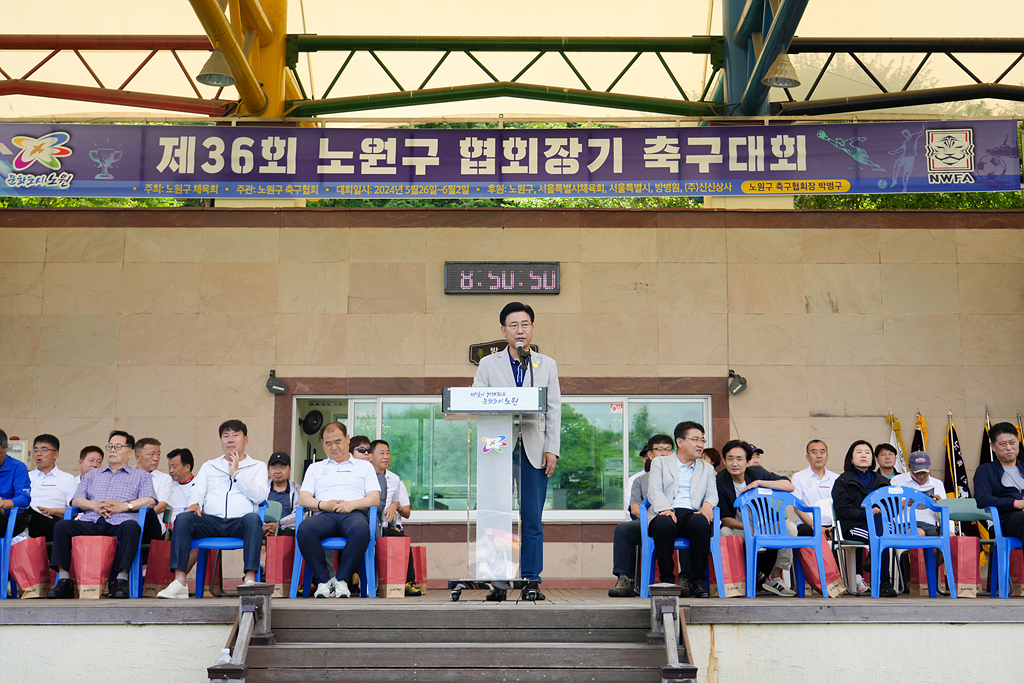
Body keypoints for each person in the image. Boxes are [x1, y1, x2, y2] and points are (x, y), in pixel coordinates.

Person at [472, 301, 561, 602]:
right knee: (496, 514)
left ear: (532, 328)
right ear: (503, 331)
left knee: (532, 517)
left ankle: (531, 579)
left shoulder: (546, 364)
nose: (519, 330)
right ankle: (497, 580)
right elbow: (476, 402)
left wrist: (552, 448)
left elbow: (554, 409)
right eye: (513, 325)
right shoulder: (488, 364)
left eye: (525, 324)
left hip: (534, 448)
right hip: (497, 447)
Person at [157, 420, 269, 599]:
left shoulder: (258, 466)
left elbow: (260, 496)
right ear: (221, 440)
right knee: (183, 519)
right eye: (226, 436)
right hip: (212, 521)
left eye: (235, 435)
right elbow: (197, 491)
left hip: (240, 523)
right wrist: (194, 503)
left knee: (253, 519)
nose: (230, 439)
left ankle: (249, 580)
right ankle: (179, 582)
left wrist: (237, 474)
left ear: (245, 439)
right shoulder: (210, 466)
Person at [47, 430, 157, 599]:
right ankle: (64, 581)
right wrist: (94, 505)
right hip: (92, 521)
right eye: (110, 446)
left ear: (130, 453)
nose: (112, 450)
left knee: (132, 527)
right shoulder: (93, 474)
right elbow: (76, 500)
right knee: (61, 526)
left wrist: (125, 506)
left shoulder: (141, 476)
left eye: (118, 447)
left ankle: (121, 580)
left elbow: (149, 500)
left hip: (121, 522)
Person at [295, 422, 380, 599]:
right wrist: (323, 504)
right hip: (325, 515)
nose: (334, 447)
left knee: (361, 530)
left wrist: (352, 504)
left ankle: (342, 580)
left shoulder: (364, 466)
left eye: (338, 441)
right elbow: (303, 498)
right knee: (305, 529)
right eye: (328, 443)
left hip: (353, 514)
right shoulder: (315, 468)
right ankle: (324, 582)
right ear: (322, 443)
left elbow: (374, 498)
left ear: (348, 439)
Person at [715, 439, 796, 597]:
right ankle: (735, 580)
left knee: (791, 528)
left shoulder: (757, 473)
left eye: (739, 459)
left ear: (748, 461)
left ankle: (775, 577)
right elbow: (724, 519)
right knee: (724, 532)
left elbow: (789, 486)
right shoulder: (720, 481)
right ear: (724, 460)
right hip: (740, 527)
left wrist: (760, 483)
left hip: (766, 525)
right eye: (730, 458)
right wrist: (747, 527)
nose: (734, 463)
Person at [647, 421, 717, 598]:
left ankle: (697, 582)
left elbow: (712, 494)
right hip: (666, 510)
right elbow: (655, 490)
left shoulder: (707, 468)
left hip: (692, 513)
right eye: (695, 439)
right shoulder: (660, 463)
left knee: (702, 523)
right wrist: (666, 508)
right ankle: (667, 581)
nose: (700, 444)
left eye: (702, 440)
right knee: (663, 524)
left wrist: (708, 504)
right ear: (680, 442)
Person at [609, 434, 673, 598]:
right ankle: (625, 579)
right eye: (660, 449)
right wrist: (654, 517)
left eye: (668, 450)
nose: (664, 454)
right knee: (624, 530)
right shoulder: (640, 480)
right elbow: (635, 508)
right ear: (650, 455)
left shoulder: (681, 477)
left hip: (675, 522)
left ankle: (687, 579)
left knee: (692, 526)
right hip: (649, 522)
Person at [832, 440, 895, 597]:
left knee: (881, 533)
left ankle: (877, 569)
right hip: (854, 525)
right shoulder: (843, 481)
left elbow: (890, 505)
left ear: (872, 459)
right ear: (851, 459)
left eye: (867, 452)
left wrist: (880, 510)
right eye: (859, 452)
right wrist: (866, 513)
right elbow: (842, 509)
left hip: (879, 524)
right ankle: (884, 582)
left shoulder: (882, 481)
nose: (863, 455)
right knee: (881, 537)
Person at [370, 439, 422, 596]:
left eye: (388, 453)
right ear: (370, 456)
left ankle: (407, 582)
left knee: (398, 538)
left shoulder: (395, 479)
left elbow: (406, 512)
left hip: (389, 527)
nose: (386, 456)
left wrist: (395, 506)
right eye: (381, 453)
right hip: (369, 525)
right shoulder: (364, 476)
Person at [974, 422, 1024, 549]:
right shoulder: (985, 470)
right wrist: (1015, 503)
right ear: (993, 447)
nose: (1008, 447)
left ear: (1018, 442)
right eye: (1002, 444)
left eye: (1012, 442)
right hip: (1003, 521)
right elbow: (982, 499)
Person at [25, 434, 77, 542]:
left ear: (56, 454)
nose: (38, 454)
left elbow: (74, 510)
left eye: (44, 450)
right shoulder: (26, 476)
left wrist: (52, 511)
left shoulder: (67, 478)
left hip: (52, 522)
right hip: (25, 518)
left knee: (27, 515)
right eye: (35, 450)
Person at [891, 451, 946, 536]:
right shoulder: (897, 480)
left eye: (924, 472)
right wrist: (903, 504)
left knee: (950, 537)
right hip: (906, 523)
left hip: (931, 523)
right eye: (917, 473)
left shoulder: (937, 483)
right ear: (909, 467)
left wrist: (940, 504)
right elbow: (888, 510)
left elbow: (945, 512)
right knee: (918, 533)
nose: (921, 476)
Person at [791, 439, 840, 535]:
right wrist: (817, 527)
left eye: (822, 452)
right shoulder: (798, 477)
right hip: (808, 525)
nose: (819, 456)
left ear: (827, 456)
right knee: (807, 531)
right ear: (807, 457)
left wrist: (831, 527)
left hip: (832, 525)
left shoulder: (836, 478)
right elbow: (797, 508)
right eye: (814, 452)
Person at [135, 437, 173, 560]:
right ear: (137, 457)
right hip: (128, 523)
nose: (156, 458)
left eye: (158, 454)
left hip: (152, 525)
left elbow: (161, 506)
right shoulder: (126, 475)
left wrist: (139, 518)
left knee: (148, 512)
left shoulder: (164, 479)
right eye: (151, 454)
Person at [0, 428, 32, 539]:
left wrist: (4, 503)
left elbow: (24, 498)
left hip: (5, 516)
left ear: (6, 447)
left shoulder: (18, 467)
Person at [266, 451, 299, 536]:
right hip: (263, 529)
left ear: (290, 469)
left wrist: (279, 525)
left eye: (282, 468)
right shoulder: (262, 488)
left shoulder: (297, 490)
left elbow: (299, 514)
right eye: (274, 468)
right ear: (268, 470)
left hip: (286, 530)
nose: (278, 471)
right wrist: (265, 527)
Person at [166, 448, 196, 527]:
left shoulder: (199, 485)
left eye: (174, 466)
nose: (171, 470)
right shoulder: (169, 487)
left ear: (187, 467)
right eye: (169, 467)